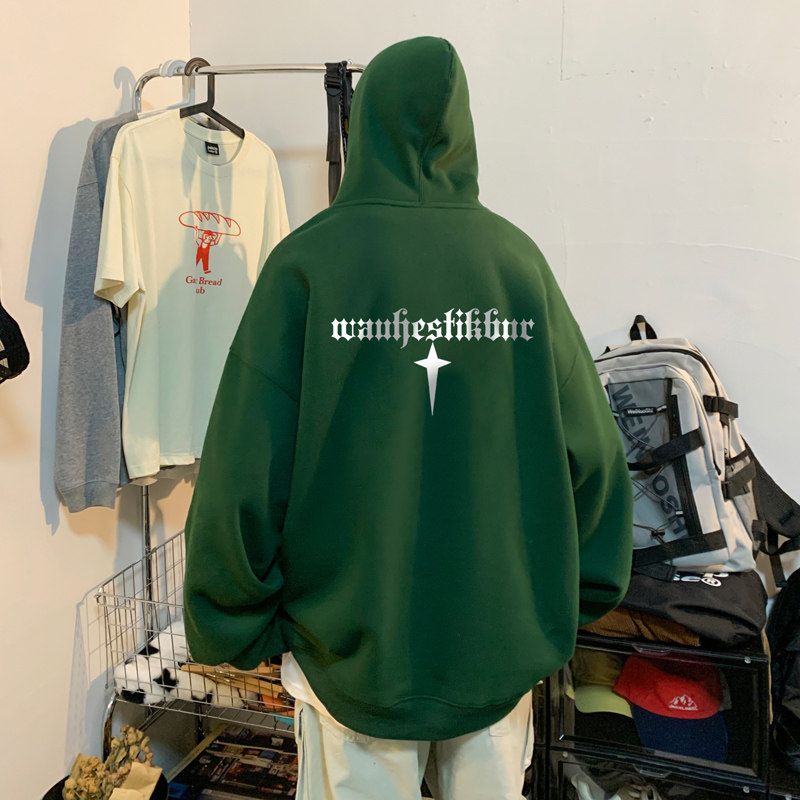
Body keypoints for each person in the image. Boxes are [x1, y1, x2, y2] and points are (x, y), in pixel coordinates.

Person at [182, 35, 633, 800]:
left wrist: (235, 620)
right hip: (497, 648)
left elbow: (243, 467)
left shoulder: (307, 265)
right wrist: (568, 598)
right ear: (463, 131)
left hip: (350, 656)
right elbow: (595, 458)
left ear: (363, 125)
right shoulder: (517, 266)